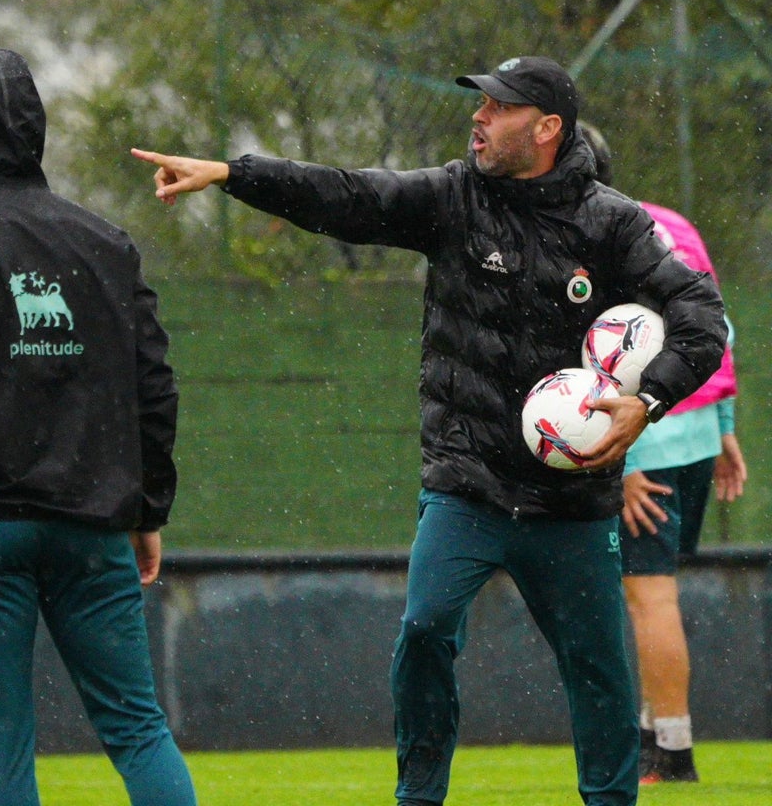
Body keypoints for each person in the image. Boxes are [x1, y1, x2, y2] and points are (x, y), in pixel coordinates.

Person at [131, 55, 726, 806]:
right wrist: (230, 173)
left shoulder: (614, 223)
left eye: (497, 107)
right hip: (467, 487)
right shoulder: (453, 198)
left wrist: (649, 402)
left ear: (546, 128)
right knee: (424, 630)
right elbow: (346, 194)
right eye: (478, 104)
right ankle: (419, 795)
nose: (478, 118)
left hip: (572, 505)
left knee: (601, 668)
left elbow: (703, 317)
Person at [0, 49, 196, 806]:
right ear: (37, 132)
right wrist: (149, 507)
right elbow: (153, 385)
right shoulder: (107, 244)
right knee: (138, 727)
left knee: (1, 734)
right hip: (91, 524)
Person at [582, 123, 747, 785]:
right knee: (656, 594)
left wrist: (623, 461)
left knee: (649, 597)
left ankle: (672, 753)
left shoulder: (591, 239)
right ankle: (655, 733)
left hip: (645, 441)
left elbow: (600, 361)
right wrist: (725, 425)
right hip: (699, 433)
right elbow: (715, 324)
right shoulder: (669, 222)